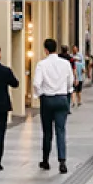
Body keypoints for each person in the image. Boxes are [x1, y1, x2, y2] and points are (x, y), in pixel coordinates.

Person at [32, 38, 75, 173]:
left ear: (45, 50)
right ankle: (62, 161)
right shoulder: (65, 63)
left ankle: (45, 159)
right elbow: (70, 81)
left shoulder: (42, 64)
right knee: (61, 130)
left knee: (47, 131)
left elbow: (36, 83)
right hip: (62, 98)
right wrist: (67, 91)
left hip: (48, 99)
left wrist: (39, 95)